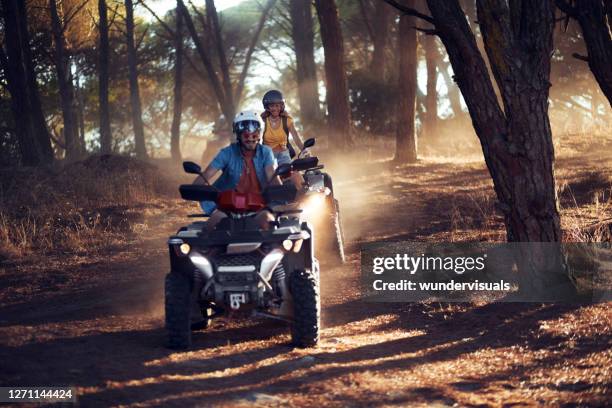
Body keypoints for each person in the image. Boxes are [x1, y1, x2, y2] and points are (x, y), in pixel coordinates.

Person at [196, 110, 281, 230]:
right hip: (227, 207)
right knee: (212, 225)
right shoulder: (226, 153)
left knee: (268, 222)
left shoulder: (266, 152)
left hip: (260, 206)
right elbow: (207, 174)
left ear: (259, 135)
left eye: (254, 135)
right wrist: (195, 188)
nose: (251, 139)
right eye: (246, 136)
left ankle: (274, 249)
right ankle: (208, 249)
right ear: (239, 135)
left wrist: (281, 191)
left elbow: (271, 175)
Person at [261, 90, 307, 165]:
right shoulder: (263, 120)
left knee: (292, 174)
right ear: (267, 107)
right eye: (272, 106)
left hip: (283, 155)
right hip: (267, 156)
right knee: (267, 175)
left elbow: (296, 137)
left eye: (277, 105)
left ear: (281, 106)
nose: (275, 108)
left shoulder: (287, 120)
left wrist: (304, 150)